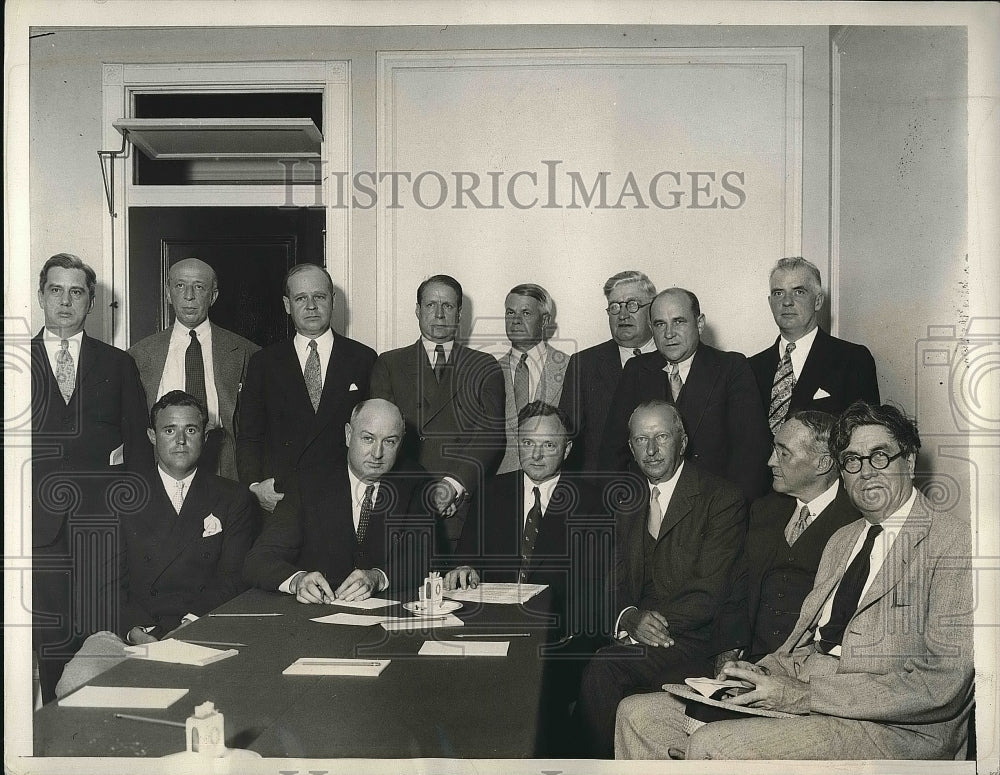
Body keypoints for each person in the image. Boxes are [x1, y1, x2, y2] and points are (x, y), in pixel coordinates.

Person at [615, 402, 975, 761]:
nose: (865, 472)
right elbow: (809, 645)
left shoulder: (954, 543)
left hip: (892, 727)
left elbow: (941, 685)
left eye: (879, 457)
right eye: (852, 460)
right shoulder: (844, 539)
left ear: (909, 462)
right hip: (812, 696)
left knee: (714, 744)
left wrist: (804, 695)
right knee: (638, 715)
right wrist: (759, 673)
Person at [574, 400, 747, 758]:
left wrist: (648, 626)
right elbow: (607, 579)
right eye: (641, 439)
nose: (651, 450)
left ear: (683, 442)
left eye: (662, 437)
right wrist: (629, 618)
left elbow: (709, 591)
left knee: (605, 669)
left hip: (694, 639)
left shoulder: (721, 498)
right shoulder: (623, 499)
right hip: (636, 632)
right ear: (631, 446)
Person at [446, 401, 613, 756]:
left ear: (567, 449)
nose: (536, 455)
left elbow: (595, 590)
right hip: (491, 630)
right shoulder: (491, 491)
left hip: (558, 640)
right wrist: (464, 568)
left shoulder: (592, 502)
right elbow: (466, 558)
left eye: (549, 445)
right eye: (528, 443)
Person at [30, 253, 149, 702]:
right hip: (36, 531)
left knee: (102, 641)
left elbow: (138, 451)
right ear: (41, 296)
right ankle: (56, 731)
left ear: (91, 301)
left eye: (76, 291)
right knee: (51, 642)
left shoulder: (117, 364)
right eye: (56, 290)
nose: (65, 301)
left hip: (103, 528)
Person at [243, 399, 432, 601]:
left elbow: (425, 560)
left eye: (390, 442)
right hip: (318, 612)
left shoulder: (414, 481)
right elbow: (259, 559)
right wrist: (298, 580)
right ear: (348, 435)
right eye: (368, 439)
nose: (377, 453)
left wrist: (379, 577)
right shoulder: (309, 481)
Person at [369, 274, 506, 547]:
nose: (440, 314)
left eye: (448, 306)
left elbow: (490, 435)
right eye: (431, 305)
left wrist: (453, 485)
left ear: (460, 313)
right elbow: (381, 437)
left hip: (462, 504)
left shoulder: (484, 365)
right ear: (418, 310)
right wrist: (422, 491)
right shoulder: (390, 363)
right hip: (404, 503)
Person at [719, 410, 860, 667]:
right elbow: (738, 587)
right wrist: (729, 648)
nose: (770, 461)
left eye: (784, 453)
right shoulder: (764, 510)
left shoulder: (856, 521)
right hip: (751, 658)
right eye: (774, 450)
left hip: (810, 667)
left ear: (823, 464)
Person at [601, 287, 771, 499]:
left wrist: (728, 510)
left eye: (679, 321)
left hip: (712, 505)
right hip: (648, 504)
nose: (669, 334)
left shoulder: (731, 368)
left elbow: (751, 455)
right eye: (660, 324)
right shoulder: (636, 370)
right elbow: (613, 451)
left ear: (699, 323)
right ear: (651, 328)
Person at [236, 263, 377, 514]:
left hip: (344, 499)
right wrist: (254, 486)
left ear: (333, 301)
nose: (311, 306)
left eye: (319, 297)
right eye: (301, 298)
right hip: (282, 501)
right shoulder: (264, 363)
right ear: (287, 305)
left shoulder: (363, 359)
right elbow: (249, 435)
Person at [118, 391, 256, 643]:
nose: (180, 440)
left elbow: (231, 578)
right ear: (152, 436)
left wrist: (192, 624)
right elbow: (108, 583)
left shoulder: (233, 497)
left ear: (205, 437)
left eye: (191, 430)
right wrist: (135, 632)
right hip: (138, 630)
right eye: (169, 430)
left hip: (204, 625)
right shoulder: (122, 497)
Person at [129, 257, 260, 480]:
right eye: (180, 285)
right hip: (163, 472)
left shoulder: (246, 352)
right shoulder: (139, 355)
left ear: (213, 296)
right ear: (168, 294)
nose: (189, 295)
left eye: (199, 287)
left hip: (225, 469)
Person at [748, 257, 879, 435]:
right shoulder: (750, 367)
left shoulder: (853, 359)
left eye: (798, 292)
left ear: (817, 301)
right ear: (770, 303)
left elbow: (865, 437)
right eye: (778, 293)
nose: (787, 302)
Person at [559, 270, 657, 472]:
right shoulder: (583, 364)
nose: (623, 315)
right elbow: (567, 439)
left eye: (632, 304)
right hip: (601, 485)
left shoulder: (672, 356)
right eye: (614, 307)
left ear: (652, 309)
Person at [497, 284, 569, 473]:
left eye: (526, 313)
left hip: (556, 482)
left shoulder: (571, 367)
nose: (516, 320)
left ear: (545, 320)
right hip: (499, 481)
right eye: (510, 313)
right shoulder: (489, 371)